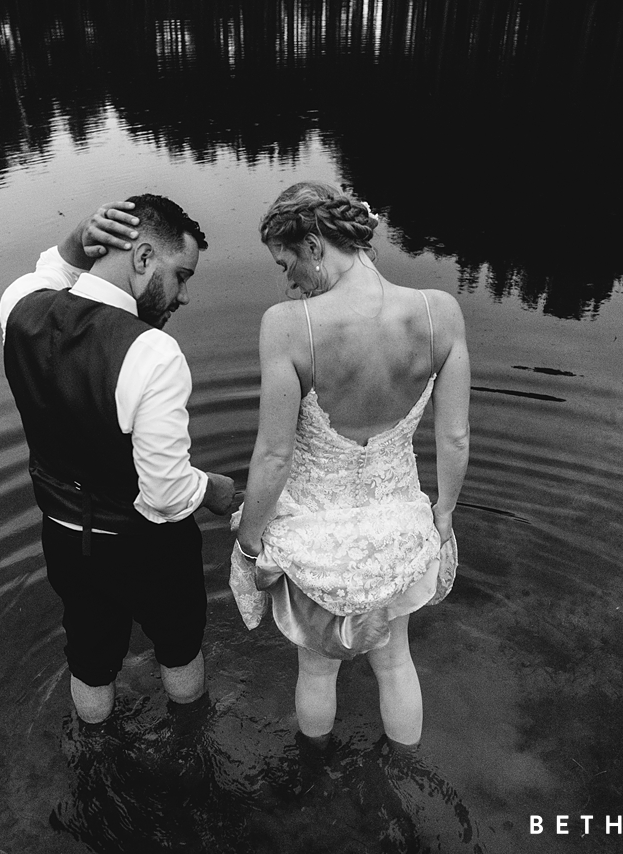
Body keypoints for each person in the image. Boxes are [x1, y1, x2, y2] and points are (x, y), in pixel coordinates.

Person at [234, 181, 470, 751]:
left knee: (317, 671)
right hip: (396, 536)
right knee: (396, 664)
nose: (289, 281)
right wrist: (442, 516)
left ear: (315, 244)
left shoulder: (289, 325)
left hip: (317, 542)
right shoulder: (440, 314)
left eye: (288, 262)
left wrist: (247, 544)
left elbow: (273, 455)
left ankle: (313, 776)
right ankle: (405, 775)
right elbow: (456, 436)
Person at [0, 196, 237, 728]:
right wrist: (212, 489)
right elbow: (166, 494)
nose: (184, 295)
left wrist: (77, 236)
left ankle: (94, 757)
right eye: (181, 276)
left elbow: (46, 271)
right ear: (143, 256)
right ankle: (189, 748)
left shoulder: (20, 309)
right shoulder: (152, 351)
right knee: (179, 649)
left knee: (88, 657)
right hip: (147, 545)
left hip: (63, 537)